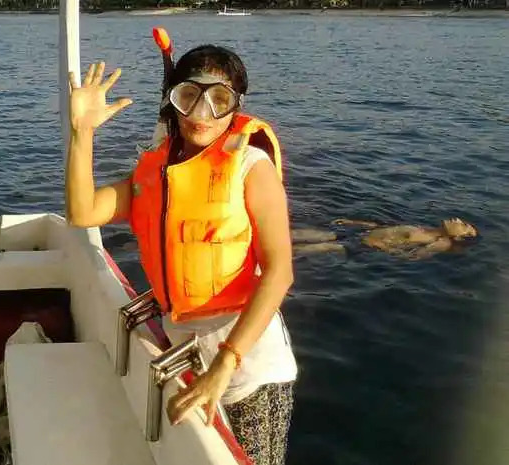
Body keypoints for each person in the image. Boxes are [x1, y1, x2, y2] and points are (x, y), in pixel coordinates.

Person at [65, 43, 297, 465]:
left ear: (236, 107)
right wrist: (83, 133)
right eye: (189, 96)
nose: (200, 113)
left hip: (249, 373)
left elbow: (279, 272)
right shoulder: (156, 172)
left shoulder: (251, 167)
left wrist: (225, 363)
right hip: (192, 360)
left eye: (218, 100)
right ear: (172, 100)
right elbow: (83, 212)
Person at [292, 217, 479, 260]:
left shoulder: (441, 243)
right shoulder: (428, 228)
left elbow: (411, 257)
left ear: (459, 237)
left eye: (463, 225)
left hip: (364, 245)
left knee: (299, 250)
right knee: (296, 234)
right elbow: (388, 228)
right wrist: (354, 222)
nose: (457, 220)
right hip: (356, 234)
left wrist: (382, 248)